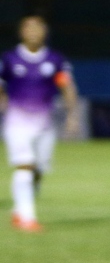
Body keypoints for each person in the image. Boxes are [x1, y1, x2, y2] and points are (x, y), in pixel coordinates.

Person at [1, 15, 80, 232]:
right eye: (30, 29)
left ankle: (19, 210)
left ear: (45, 32)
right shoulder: (9, 59)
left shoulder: (55, 60)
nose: (34, 33)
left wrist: (72, 115)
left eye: (38, 29)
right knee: (24, 165)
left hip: (44, 124)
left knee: (38, 171)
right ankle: (27, 219)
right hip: (16, 122)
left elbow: (66, 87)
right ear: (22, 32)